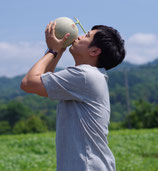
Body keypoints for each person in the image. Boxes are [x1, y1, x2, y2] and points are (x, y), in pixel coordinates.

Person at [20, 21, 126, 171]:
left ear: (94, 51)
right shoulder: (88, 76)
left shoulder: (85, 75)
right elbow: (41, 84)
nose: (79, 37)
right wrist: (59, 51)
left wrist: (52, 51)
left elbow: (28, 83)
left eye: (86, 36)